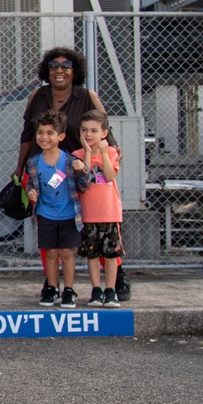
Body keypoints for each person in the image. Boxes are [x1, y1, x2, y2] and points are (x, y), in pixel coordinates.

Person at [13, 46, 131, 302]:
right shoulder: (37, 95)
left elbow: (104, 131)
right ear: (47, 69)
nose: (59, 70)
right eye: (54, 65)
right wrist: (20, 167)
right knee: (49, 224)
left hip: (78, 170)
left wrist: (112, 149)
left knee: (95, 223)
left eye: (66, 66)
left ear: (75, 70)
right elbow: (26, 134)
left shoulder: (87, 96)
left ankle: (115, 273)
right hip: (45, 170)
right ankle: (51, 281)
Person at [25, 110, 90, 309]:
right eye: (41, 132)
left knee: (67, 253)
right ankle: (52, 287)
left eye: (50, 133)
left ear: (61, 136)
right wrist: (31, 193)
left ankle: (68, 289)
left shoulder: (70, 161)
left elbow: (84, 185)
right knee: (51, 253)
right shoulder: (33, 162)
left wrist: (82, 170)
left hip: (69, 215)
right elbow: (31, 185)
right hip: (46, 215)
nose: (44, 137)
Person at [73, 110, 125, 308]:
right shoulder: (77, 155)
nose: (89, 134)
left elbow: (110, 176)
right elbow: (84, 182)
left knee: (111, 254)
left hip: (109, 212)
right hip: (87, 214)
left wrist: (102, 153)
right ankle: (96, 289)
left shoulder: (111, 152)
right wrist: (87, 153)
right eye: (85, 130)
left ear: (104, 133)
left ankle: (110, 290)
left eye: (94, 131)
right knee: (92, 254)